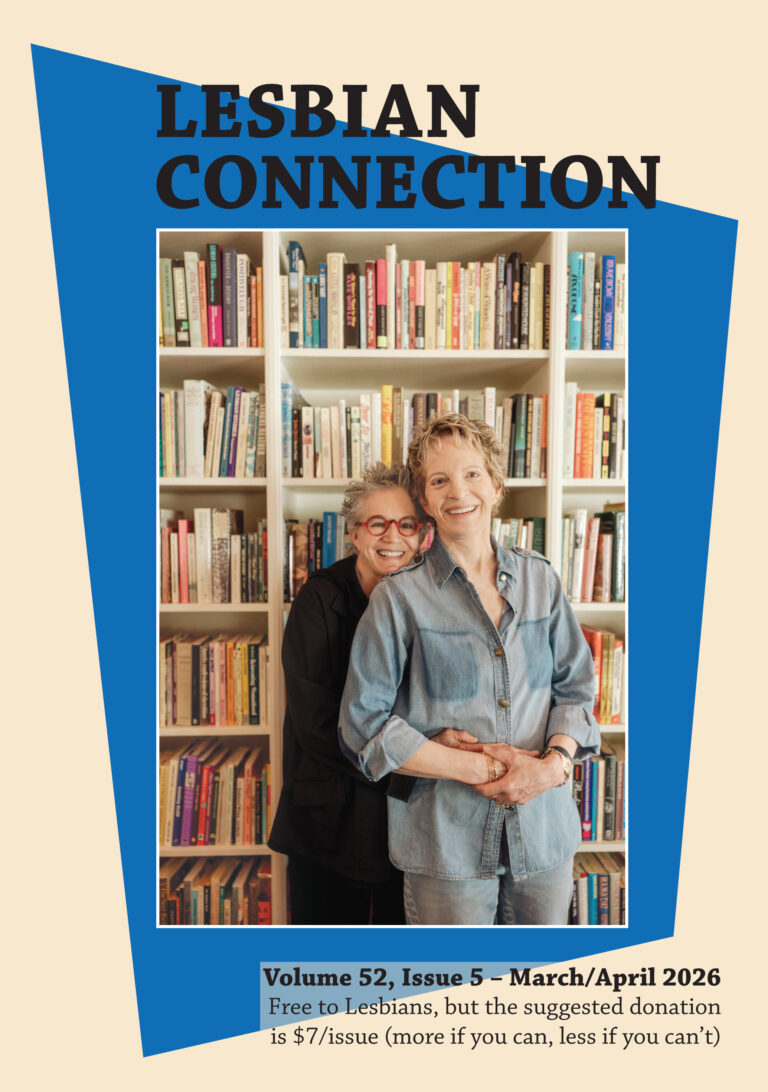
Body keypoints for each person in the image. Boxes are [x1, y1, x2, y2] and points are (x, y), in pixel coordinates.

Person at [339, 414, 600, 926]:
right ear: (426, 499)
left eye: (472, 474)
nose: (459, 491)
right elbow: (362, 725)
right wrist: (479, 768)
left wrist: (550, 768)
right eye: (440, 480)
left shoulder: (541, 579)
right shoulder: (399, 598)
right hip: (445, 849)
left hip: (543, 840)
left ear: (497, 486)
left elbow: (576, 690)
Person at [269, 462, 475, 924]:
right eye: (377, 523)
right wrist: (415, 765)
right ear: (355, 533)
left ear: (424, 534)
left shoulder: (432, 598)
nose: (392, 537)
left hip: (404, 819)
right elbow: (317, 725)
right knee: (323, 963)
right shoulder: (317, 601)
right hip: (329, 819)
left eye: (407, 524)